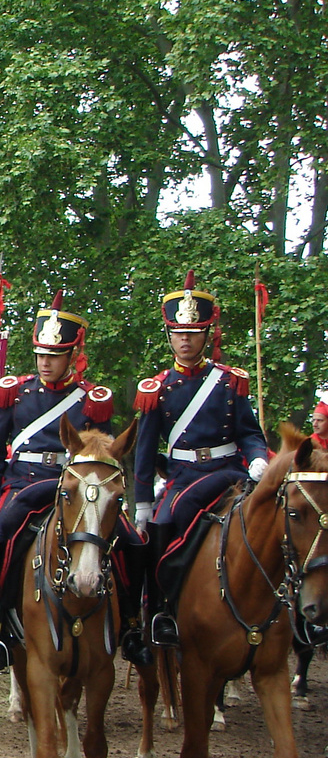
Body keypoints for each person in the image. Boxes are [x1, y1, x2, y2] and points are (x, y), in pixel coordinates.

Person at [0, 295, 148, 672]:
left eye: (55, 354)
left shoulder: (93, 399)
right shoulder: (15, 391)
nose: (45, 362)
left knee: (131, 542)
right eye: (40, 354)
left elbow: (106, 456)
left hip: (77, 490)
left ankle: (133, 626)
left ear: (73, 355)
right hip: (22, 485)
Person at [134, 270, 269, 645]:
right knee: (159, 527)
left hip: (230, 473)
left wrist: (258, 458)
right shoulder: (156, 389)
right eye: (179, 333)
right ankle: (159, 611)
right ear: (170, 335)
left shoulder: (229, 381)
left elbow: (250, 434)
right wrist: (142, 502)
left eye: (193, 333)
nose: (185, 340)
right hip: (182, 478)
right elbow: (144, 452)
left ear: (207, 335)